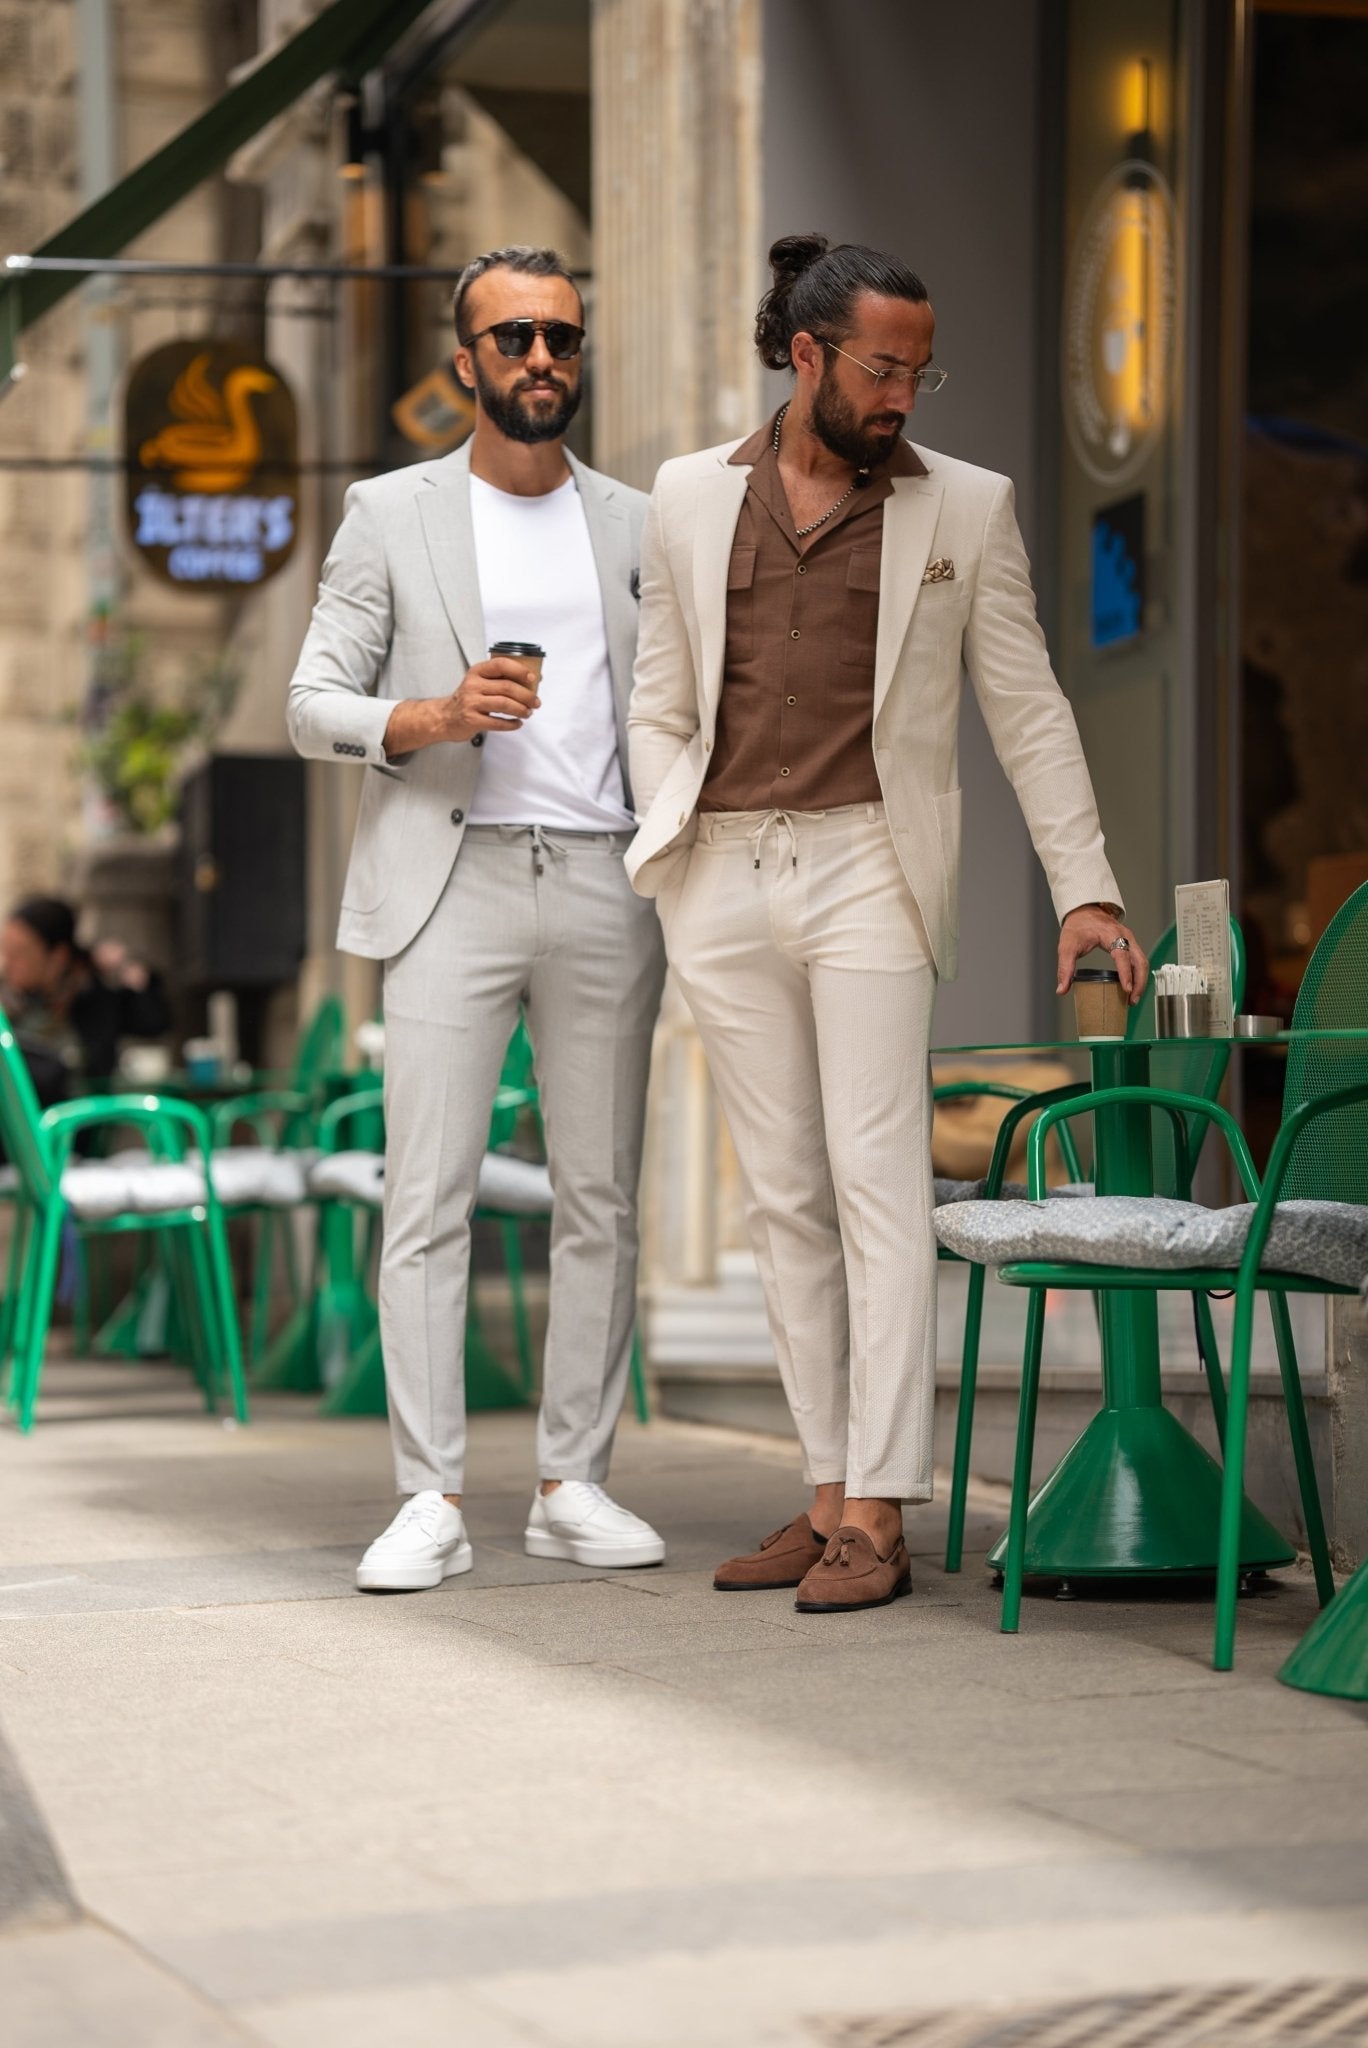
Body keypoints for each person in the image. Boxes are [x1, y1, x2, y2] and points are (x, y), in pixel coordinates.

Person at [626, 234, 1148, 1614]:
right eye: (881, 366)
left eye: (922, 369)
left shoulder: (965, 509)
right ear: (805, 355)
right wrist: (662, 836)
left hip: (870, 863)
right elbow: (659, 692)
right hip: (721, 869)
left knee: (875, 1186)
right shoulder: (685, 495)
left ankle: (882, 1509)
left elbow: (1027, 710)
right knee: (784, 1194)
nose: (906, 393)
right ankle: (819, 1487)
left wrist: (1084, 884)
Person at [287, 244, 668, 1593]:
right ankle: (429, 1494)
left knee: (601, 1201)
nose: (541, 360)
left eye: (561, 337)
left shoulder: (635, 520)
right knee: (428, 1197)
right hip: (449, 878)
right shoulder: (390, 511)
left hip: (607, 880)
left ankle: (574, 1482)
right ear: (466, 361)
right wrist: (439, 715)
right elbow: (310, 699)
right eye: (513, 339)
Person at [0, 895, 170, 1106]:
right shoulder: (9, 1003)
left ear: (57, 956)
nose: (9, 964)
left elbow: (155, 1021)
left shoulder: (96, 997)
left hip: (76, 1123)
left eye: (21, 953)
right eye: (6, 952)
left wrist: (130, 969)